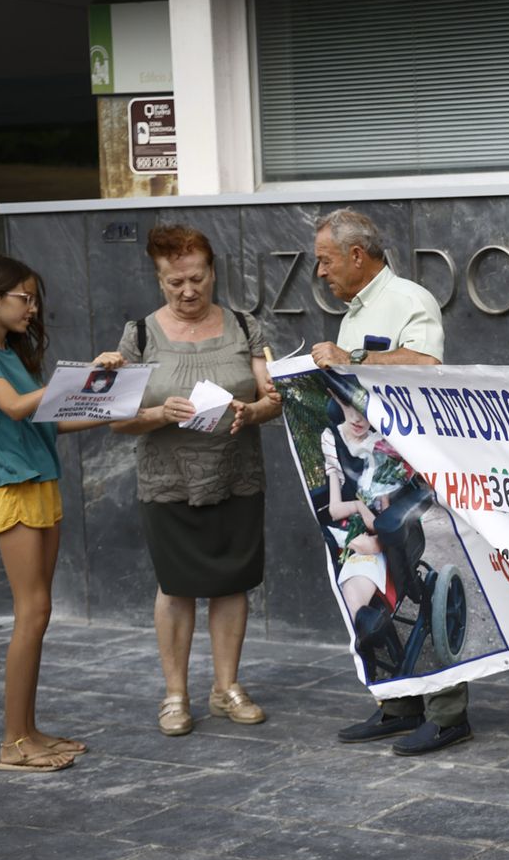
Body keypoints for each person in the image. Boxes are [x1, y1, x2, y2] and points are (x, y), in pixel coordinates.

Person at [0, 252, 122, 771]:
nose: (33, 308)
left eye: (35, 298)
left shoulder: (13, 354)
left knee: (37, 615)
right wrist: (84, 374)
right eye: (25, 298)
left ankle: (29, 730)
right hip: (12, 488)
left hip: (41, 484)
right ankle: (11, 744)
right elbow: (16, 408)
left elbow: (50, 420)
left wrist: (110, 403)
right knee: (33, 612)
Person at [309, 208, 472, 758]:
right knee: (372, 580)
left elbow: (425, 364)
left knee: (413, 579)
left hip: (408, 481)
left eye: (326, 261)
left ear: (358, 255)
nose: (321, 273)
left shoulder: (409, 299)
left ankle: (448, 714)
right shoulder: (353, 313)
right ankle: (399, 702)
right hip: (366, 473)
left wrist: (351, 356)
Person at [111, 225, 280, 737]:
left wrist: (251, 412)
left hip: (236, 474)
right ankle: (176, 695)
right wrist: (160, 412)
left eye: (197, 278)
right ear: (159, 279)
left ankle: (226, 688)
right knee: (176, 586)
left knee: (232, 583)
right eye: (174, 282)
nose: (188, 291)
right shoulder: (138, 335)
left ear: (212, 272)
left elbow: (273, 395)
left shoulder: (245, 325)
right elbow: (118, 419)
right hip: (170, 481)